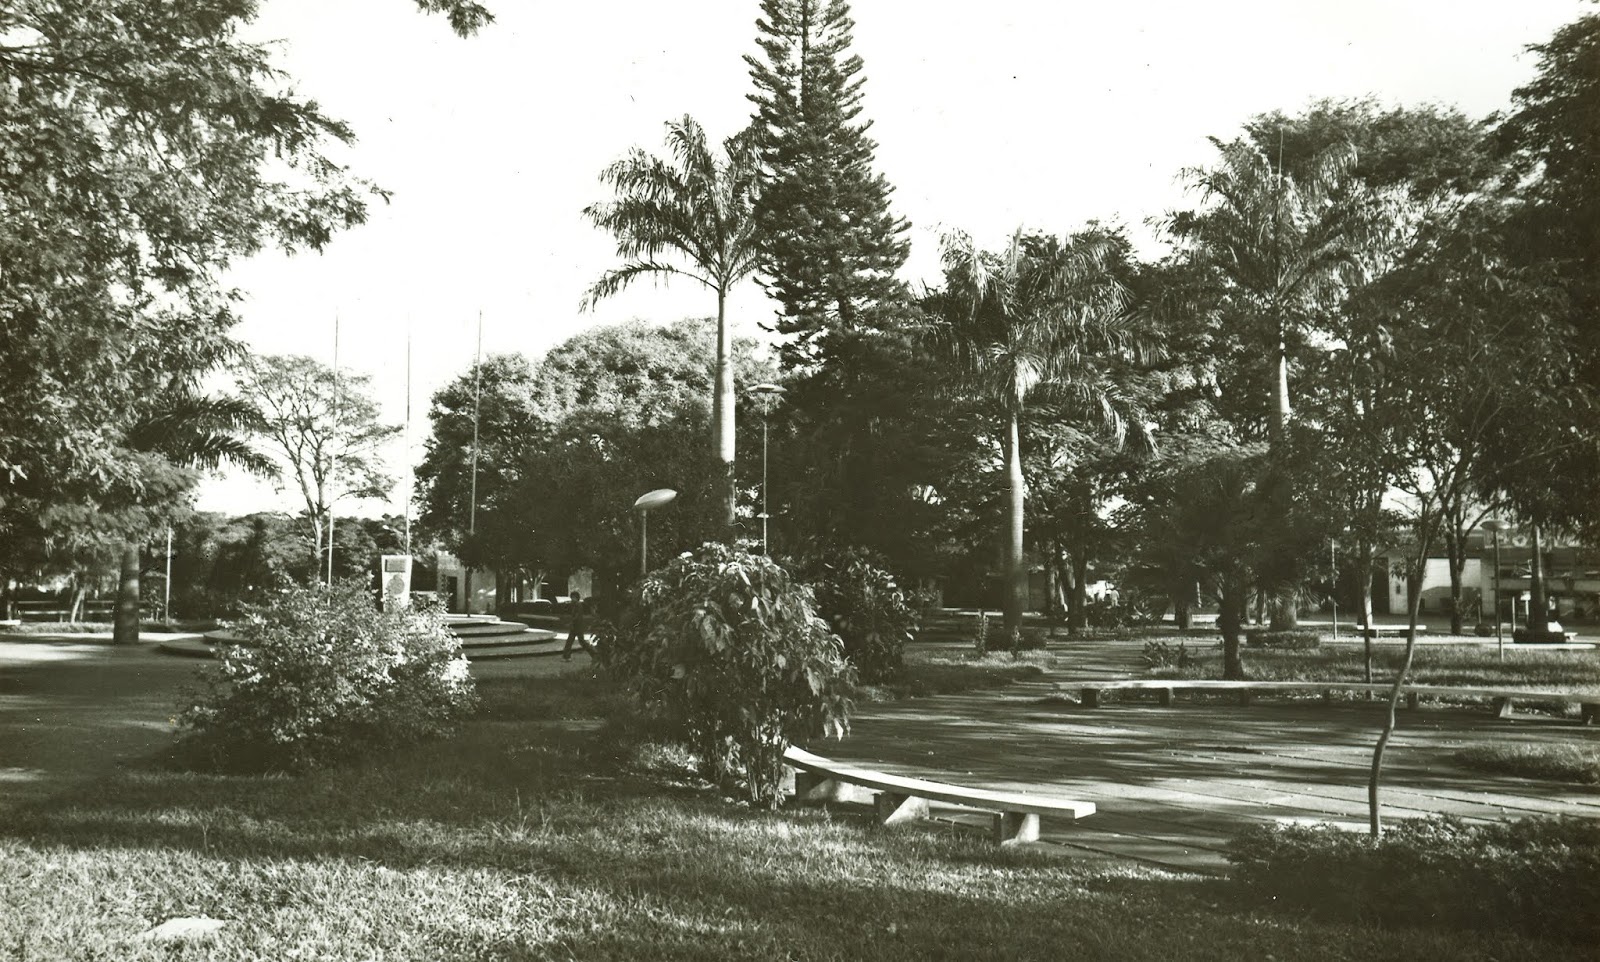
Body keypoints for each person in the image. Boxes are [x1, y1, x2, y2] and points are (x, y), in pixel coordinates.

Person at [563, 591, 589, 660]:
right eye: (572, 597)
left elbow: (577, 616)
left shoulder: (578, 605)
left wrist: (570, 623)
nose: (572, 599)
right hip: (575, 626)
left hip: (578, 626)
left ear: (577, 598)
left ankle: (594, 653)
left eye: (574, 597)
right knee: (570, 641)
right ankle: (566, 656)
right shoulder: (574, 605)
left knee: (581, 641)